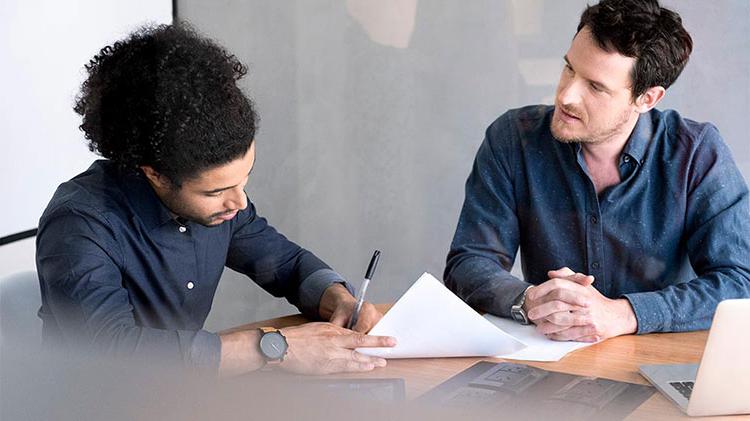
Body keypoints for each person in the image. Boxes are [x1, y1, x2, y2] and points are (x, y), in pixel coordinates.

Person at [36, 24, 394, 376]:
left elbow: (285, 263)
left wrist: (337, 298)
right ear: (154, 174)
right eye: (216, 191)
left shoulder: (223, 208)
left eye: (244, 179)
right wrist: (274, 347)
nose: (238, 202)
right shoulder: (79, 225)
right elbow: (115, 354)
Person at [445, 0, 750, 343]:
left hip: (656, 360)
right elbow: (469, 263)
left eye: (596, 87)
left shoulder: (695, 152)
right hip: (550, 364)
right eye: (569, 69)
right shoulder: (513, 138)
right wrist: (530, 300)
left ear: (647, 98)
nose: (567, 95)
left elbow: (741, 281)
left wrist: (623, 314)